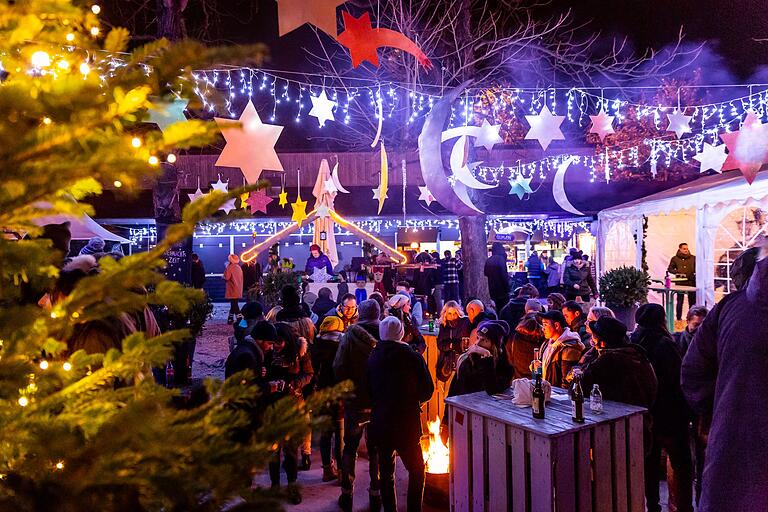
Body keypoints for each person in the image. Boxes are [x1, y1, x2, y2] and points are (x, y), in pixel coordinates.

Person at [681, 242, 768, 512]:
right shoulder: (729, 308)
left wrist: (716, 411)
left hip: (735, 445)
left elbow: (693, 371)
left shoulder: (729, 308)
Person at [367, 316, 434, 512]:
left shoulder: (373, 357)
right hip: (407, 424)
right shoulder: (413, 357)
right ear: (401, 333)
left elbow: (367, 388)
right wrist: (414, 401)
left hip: (381, 422)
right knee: (416, 470)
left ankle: (390, 509)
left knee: (386, 472)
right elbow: (427, 389)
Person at [630, 303, 693, 512]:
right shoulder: (666, 344)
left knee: (650, 463)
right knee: (681, 464)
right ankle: (682, 507)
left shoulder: (635, 342)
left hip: (647, 412)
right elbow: (678, 378)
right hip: (670, 413)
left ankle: (653, 506)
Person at [334, 299, 382, 512]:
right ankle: (375, 494)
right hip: (379, 401)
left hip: (355, 401)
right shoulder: (386, 333)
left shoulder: (350, 336)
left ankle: (347, 493)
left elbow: (339, 366)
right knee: (376, 450)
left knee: (350, 448)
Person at [579, 317, 657, 439]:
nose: (592, 341)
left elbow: (580, 388)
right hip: (643, 423)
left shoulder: (608, 361)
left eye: (594, 337)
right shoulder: (638, 354)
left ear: (602, 342)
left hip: (617, 429)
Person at [265, 322, 313, 504]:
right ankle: (275, 485)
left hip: (293, 405)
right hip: (273, 406)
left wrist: (295, 384)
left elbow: (309, 374)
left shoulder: (300, 352)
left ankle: (292, 485)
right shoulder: (268, 352)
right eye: (274, 342)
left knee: (291, 450)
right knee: (273, 449)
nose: (276, 346)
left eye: (279, 342)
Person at [312, 316, 345, 482]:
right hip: (339, 395)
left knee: (325, 433)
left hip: (321, 395)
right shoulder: (342, 346)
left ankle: (326, 469)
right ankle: (340, 470)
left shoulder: (316, 346)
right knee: (339, 434)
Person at [447, 320, 510, 397]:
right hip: (465, 406)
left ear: (494, 344)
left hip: (489, 407)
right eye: (478, 338)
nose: (477, 343)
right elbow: (456, 390)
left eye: (484, 340)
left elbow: (493, 389)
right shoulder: (468, 360)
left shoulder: (503, 365)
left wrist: (487, 357)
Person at [537, 310, 584, 388]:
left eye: (545, 325)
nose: (543, 329)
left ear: (556, 325)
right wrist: (538, 367)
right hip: (547, 392)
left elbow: (567, 382)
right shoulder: (547, 343)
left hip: (557, 396)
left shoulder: (569, 348)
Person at [435, 301, 471, 382]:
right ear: (445, 314)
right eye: (449, 313)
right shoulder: (443, 325)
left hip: (462, 358)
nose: (452, 316)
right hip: (448, 360)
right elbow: (440, 344)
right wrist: (452, 345)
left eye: (455, 313)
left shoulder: (465, 321)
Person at [506, 313, 544, 379]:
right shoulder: (543, 341)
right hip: (536, 381)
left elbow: (509, 360)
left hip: (518, 380)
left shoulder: (513, 338)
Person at [668, 242, 696, 320]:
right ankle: (678, 319)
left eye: (687, 248)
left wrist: (693, 274)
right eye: (684, 249)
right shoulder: (675, 259)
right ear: (680, 249)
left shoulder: (693, 258)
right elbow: (670, 269)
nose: (686, 250)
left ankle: (691, 318)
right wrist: (677, 272)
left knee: (692, 302)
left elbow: (698, 268)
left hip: (691, 282)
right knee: (680, 301)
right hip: (680, 282)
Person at [484, 242, 510, 311]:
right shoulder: (501, 259)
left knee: (496, 307)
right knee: (503, 308)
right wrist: (507, 288)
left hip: (492, 288)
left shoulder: (488, 260)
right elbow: (504, 275)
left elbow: (486, 273)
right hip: (502, 289)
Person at [223, 254, 244, 325]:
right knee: (234, 304)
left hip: (232, 289)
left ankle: (240, 320)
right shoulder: (239, 267)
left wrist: (223, 276)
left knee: (235, 305)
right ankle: (230, 319)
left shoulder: (230, 267)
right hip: (238, 289)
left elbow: (227, 277)